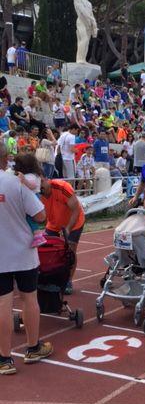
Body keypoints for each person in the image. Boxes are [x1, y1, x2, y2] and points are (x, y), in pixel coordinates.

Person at [0, 142, 53, 374]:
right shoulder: (16, 182)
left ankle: (4, 359)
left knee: (3, 304)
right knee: (29, 299)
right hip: (23, 252)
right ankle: (33, 348)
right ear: (5, 158)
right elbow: (41, 215)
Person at [40, 176, 85, 294]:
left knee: (70, 250)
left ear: (46, 179)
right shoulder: (36, 193)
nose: (41, 187)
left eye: (42, 182)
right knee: (47, 248)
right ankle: (51, 278)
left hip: (74, 222)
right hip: (53, 223)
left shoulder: (62, 187)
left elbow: (76, 210)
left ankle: (69, 280)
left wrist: (68, 228)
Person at [13, 153, 47, 247]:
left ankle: (38, 235)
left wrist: (24, 180)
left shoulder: (30, 176)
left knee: (30, 217)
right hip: (34, 197)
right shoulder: (34, 175)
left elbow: (33, 186)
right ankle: (38, 232)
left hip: (33, 197)